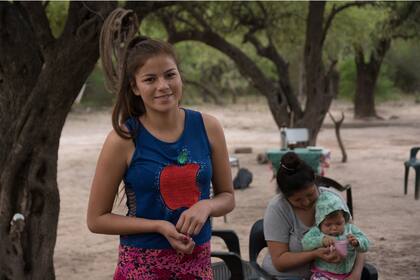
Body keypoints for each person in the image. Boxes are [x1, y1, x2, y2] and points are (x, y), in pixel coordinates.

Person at [86, 8, 235, 280]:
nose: (163, 86)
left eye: (170, 75)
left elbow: (227, 196)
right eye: (150, 79)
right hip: (142, 266)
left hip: (197, 262)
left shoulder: (209, 127)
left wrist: (206, 206)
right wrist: (157, 226)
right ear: (134, 87)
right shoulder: (123, 139)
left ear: (180, 76)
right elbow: (96, 219)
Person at [262, 152, 365, 280]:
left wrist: (356, 274)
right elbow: (279, 262)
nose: (306, 202)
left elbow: (355, 236)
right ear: (285, 196)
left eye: (310, 194)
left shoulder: (332, 200)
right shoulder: (278, 209)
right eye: (297, 200)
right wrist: (315, 254)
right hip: (283, 276)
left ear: (315, 182)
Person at [302, 191, 369, 280]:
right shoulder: (317, 231)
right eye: (328, 225)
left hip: (348, 275)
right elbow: (305, 243)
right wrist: (321, 240)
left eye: (338, 223)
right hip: (323, 274)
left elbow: (366, 242)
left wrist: (357, 242)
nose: (334, 228)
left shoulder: (350, 229)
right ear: (320, 222)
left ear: (344, 219)